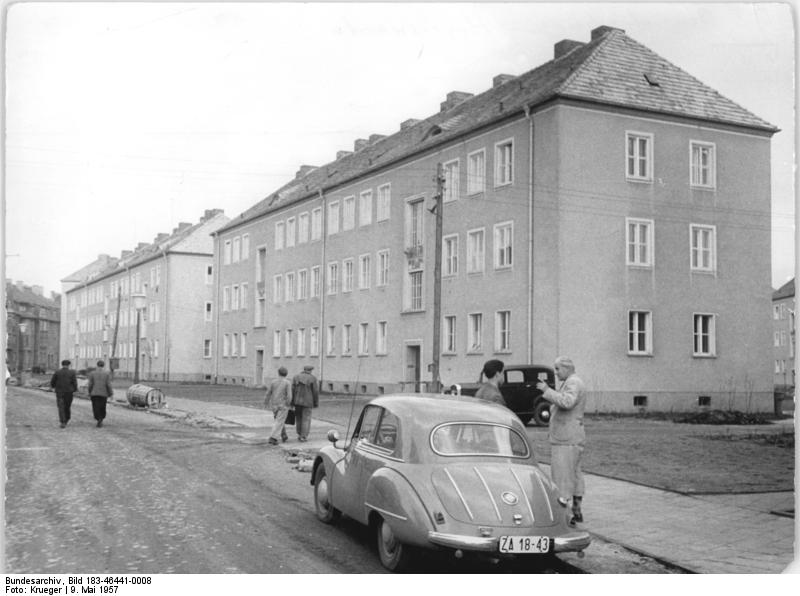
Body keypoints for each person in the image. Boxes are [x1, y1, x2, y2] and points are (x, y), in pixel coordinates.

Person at [536, 356, 587, 524]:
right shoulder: (574, 382)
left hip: (566, 438)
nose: (556, 373)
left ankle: (565, 515)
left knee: (562, 475)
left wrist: (546, 391)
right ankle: (576, 510)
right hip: (572, 436)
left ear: (566, 368)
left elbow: (567, 402)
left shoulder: (573, 383)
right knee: (574, 474)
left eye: (557, 369)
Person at [264, 366, 293, 445]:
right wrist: (288, 403)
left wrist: (266, 402)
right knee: (279, 421)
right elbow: (289, 395)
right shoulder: (287, 383)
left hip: (274, 405)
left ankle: (284, 435)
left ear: (278, 373)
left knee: (279, 420)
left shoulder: (273, 382)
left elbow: (268, 393)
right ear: (286, 374)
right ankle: (273, 437)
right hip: (283, 405)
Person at [292, 364, 319, 442]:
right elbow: (315, 392)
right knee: (306, 419)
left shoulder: (296, 377)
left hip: (297, 402)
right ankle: (303, 436)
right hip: (308, 402)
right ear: (310, 370)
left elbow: (292, 390)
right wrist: (316, 402)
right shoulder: (312, 378)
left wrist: (292, 401)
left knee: (298, 418)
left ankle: (299, 433)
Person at [50, 359, 78, 428]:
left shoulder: (57, 372)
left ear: (62, 365)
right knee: (67, 406)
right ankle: (66, 419)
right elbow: (74, 382)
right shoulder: (72, 373)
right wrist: (75, 389)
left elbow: (53, 381)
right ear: (68, 365)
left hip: (59, 391)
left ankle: (63, 421)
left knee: (61, 406)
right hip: (69, 392)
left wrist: (53, 386)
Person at [87, 360, 113, 428]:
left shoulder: (92, 373)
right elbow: (108, 384)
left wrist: (89, 391)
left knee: (95, 406)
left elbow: (90, 384)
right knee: (102, 406)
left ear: (97, 365)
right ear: (103, 366)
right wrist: (111, 393)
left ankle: (97, 417)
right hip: (103, 393)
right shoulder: (106, 374)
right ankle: (101, 418)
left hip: (94, 393)